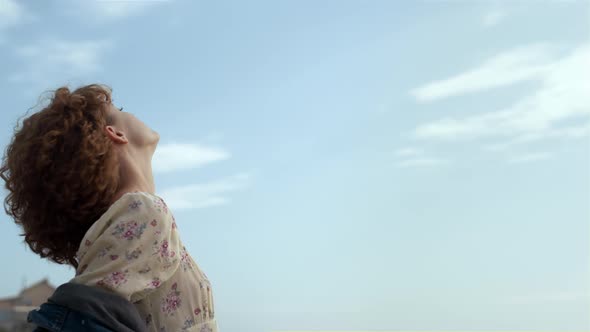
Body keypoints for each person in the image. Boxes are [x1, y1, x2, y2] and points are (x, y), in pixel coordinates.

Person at [0, 84, 218, 332]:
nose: (130, 111)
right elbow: (84, 314)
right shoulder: (143, 212)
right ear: (115, 133)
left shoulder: (122, 222)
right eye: (119, 108)